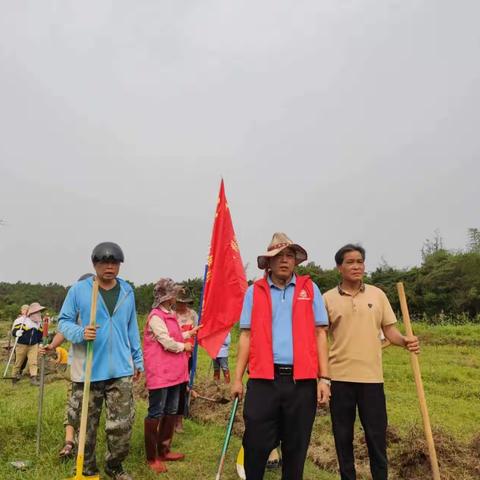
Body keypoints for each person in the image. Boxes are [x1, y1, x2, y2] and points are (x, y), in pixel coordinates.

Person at [231, 232, 330, 480]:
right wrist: (236, 379)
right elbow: (246, 336)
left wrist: (325, 379)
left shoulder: (310, 288)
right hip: (264, 381)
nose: (285, 260)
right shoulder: (256, 291)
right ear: (269, 262)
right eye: (279, 256)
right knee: (255, 444)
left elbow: (320, 334)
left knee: (296, 449)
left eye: (289, 255)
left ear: (295, 260)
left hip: (301, 383)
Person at [323, 244, 420, 480]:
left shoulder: (377, 295)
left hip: (372, 379)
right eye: (350, 262)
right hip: (339, 379)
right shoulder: (327, 299)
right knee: (342, 438)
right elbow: (319, 338)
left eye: (360, 261)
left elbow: (390, 331)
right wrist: (322, 377)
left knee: (376, 437)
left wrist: (405, 341)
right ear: (339, 267)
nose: (356, 266)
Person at [58, 242, 144, 480]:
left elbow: (131, 328)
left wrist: (137, 359)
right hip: (89, 370)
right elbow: (63, 321)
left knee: (122, 427)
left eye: (114, 263)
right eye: (104, 262)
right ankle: (87, 470)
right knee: (86, 427)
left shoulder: (127, 291)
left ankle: (115, 466)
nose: (109, 267)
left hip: (120, 370)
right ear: (94, 264)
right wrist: (80, 332)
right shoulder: (79, 290)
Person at [143, 278, 201, 474]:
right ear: (166, 296)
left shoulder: (170, 314)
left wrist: (189, 333)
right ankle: (152, 457)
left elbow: (174, 336)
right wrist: (183, 346)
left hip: (175, 373)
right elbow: (166, 341)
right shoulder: (156, 316)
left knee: (171, 410)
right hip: (160, 373)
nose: (177, 297)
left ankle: (164, 450)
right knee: (156, 412)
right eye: (174, 293)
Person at [173, 289, 198, 433]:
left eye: (185, 303)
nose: (182, 306)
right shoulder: (170, 315)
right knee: (172, 387)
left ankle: (179, 421)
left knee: (183, 386)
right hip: (173, 354)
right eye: (179, 302)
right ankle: (168, 418)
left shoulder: (193, 314)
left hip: (188, 355)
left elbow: (197, 331)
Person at [11, 302, 47, 385]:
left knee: (33, 362)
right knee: (18, 362)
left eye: (39, 312)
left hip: (33, 345)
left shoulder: (38, 322)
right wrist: (17, 333)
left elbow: (40, 334)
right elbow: (14, 331)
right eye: (36, 312)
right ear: (32, 312)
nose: (38, 313)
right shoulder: (21, 320)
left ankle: (33, 379)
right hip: (22, 344)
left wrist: (40, 342)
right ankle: (14, 378)